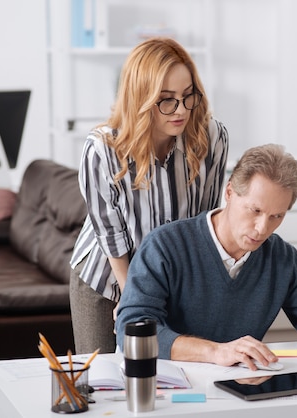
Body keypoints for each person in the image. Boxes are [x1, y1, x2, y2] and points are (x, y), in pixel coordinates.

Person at [116, 144, 297, 370]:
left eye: (277, 216)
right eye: (255, 210)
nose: (263, 229)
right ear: (229, 193)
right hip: (169, 382)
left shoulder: (280, 257)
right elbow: (132, 329)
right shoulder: (165, 245)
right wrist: (216, 352)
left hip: (241, 385)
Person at [69, 37, 229, 354]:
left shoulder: (211, 138)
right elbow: (110, 234)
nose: (181, 110)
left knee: (171, 378)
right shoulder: (103, 148)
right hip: (107, 277)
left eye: (188, 96)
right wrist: (133, 301)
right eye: (167, 100)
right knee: (105, 383)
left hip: (172, 279)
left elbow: (204, 224)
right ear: (141, 98)